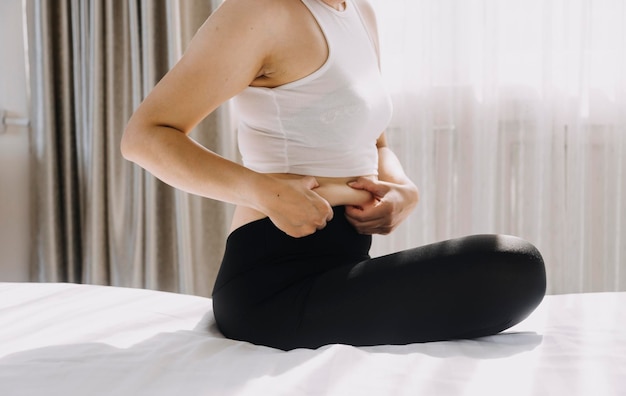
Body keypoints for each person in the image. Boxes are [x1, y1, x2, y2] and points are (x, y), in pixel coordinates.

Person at [121, 0, 546, 350]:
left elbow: (376, 143)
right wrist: (263, 191)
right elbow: (144, 136)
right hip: (272, 285)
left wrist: (404, 190)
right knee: (512, 264)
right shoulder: (259, 12)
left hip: (345, 265)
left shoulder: (360, 12)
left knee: (516, 269)